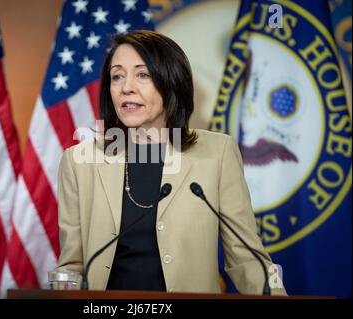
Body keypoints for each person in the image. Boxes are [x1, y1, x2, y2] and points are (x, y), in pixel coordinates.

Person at [55, 30, 286, 295]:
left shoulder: (217, 153)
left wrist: (277, 295)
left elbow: (247, 257)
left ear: (171, 81)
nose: (126, 87)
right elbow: (72, 265)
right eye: (117, 76)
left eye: (142, 74)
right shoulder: (79, 161)